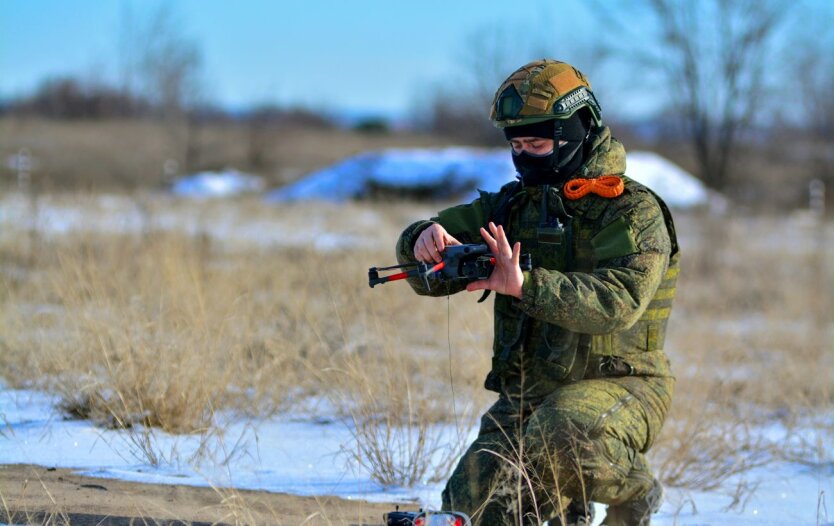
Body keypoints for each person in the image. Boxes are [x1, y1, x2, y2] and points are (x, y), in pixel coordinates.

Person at [395, 60, 679, 526]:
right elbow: (431, 249)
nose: (526, 156)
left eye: (539, 144)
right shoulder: (511, 205)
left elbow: (618, 302)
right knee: (470, 512)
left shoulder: (631, 210)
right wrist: (424, 237)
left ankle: (636, 494)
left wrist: (525, 285)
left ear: (577, 132)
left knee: (564, 433)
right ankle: (570, 505)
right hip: (527, 397)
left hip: (620, 385)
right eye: (518, 145)